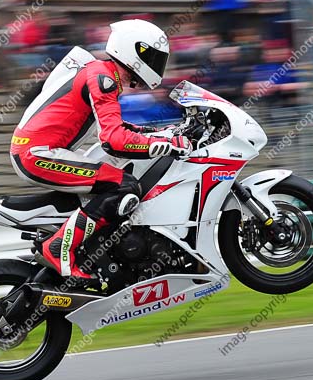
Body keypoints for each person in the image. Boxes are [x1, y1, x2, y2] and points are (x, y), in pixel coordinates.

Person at [10, 19, 192, 279]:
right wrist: (164, 145)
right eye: (153, 57)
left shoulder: (102, 73)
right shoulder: (103, 78)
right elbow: (113, 140)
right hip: (37, 154)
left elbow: (115, 128)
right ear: (134, 51)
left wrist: (161, 133)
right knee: (123, 186)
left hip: (39, 151)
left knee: (115, 180)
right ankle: (58, 247)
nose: (157, 64)